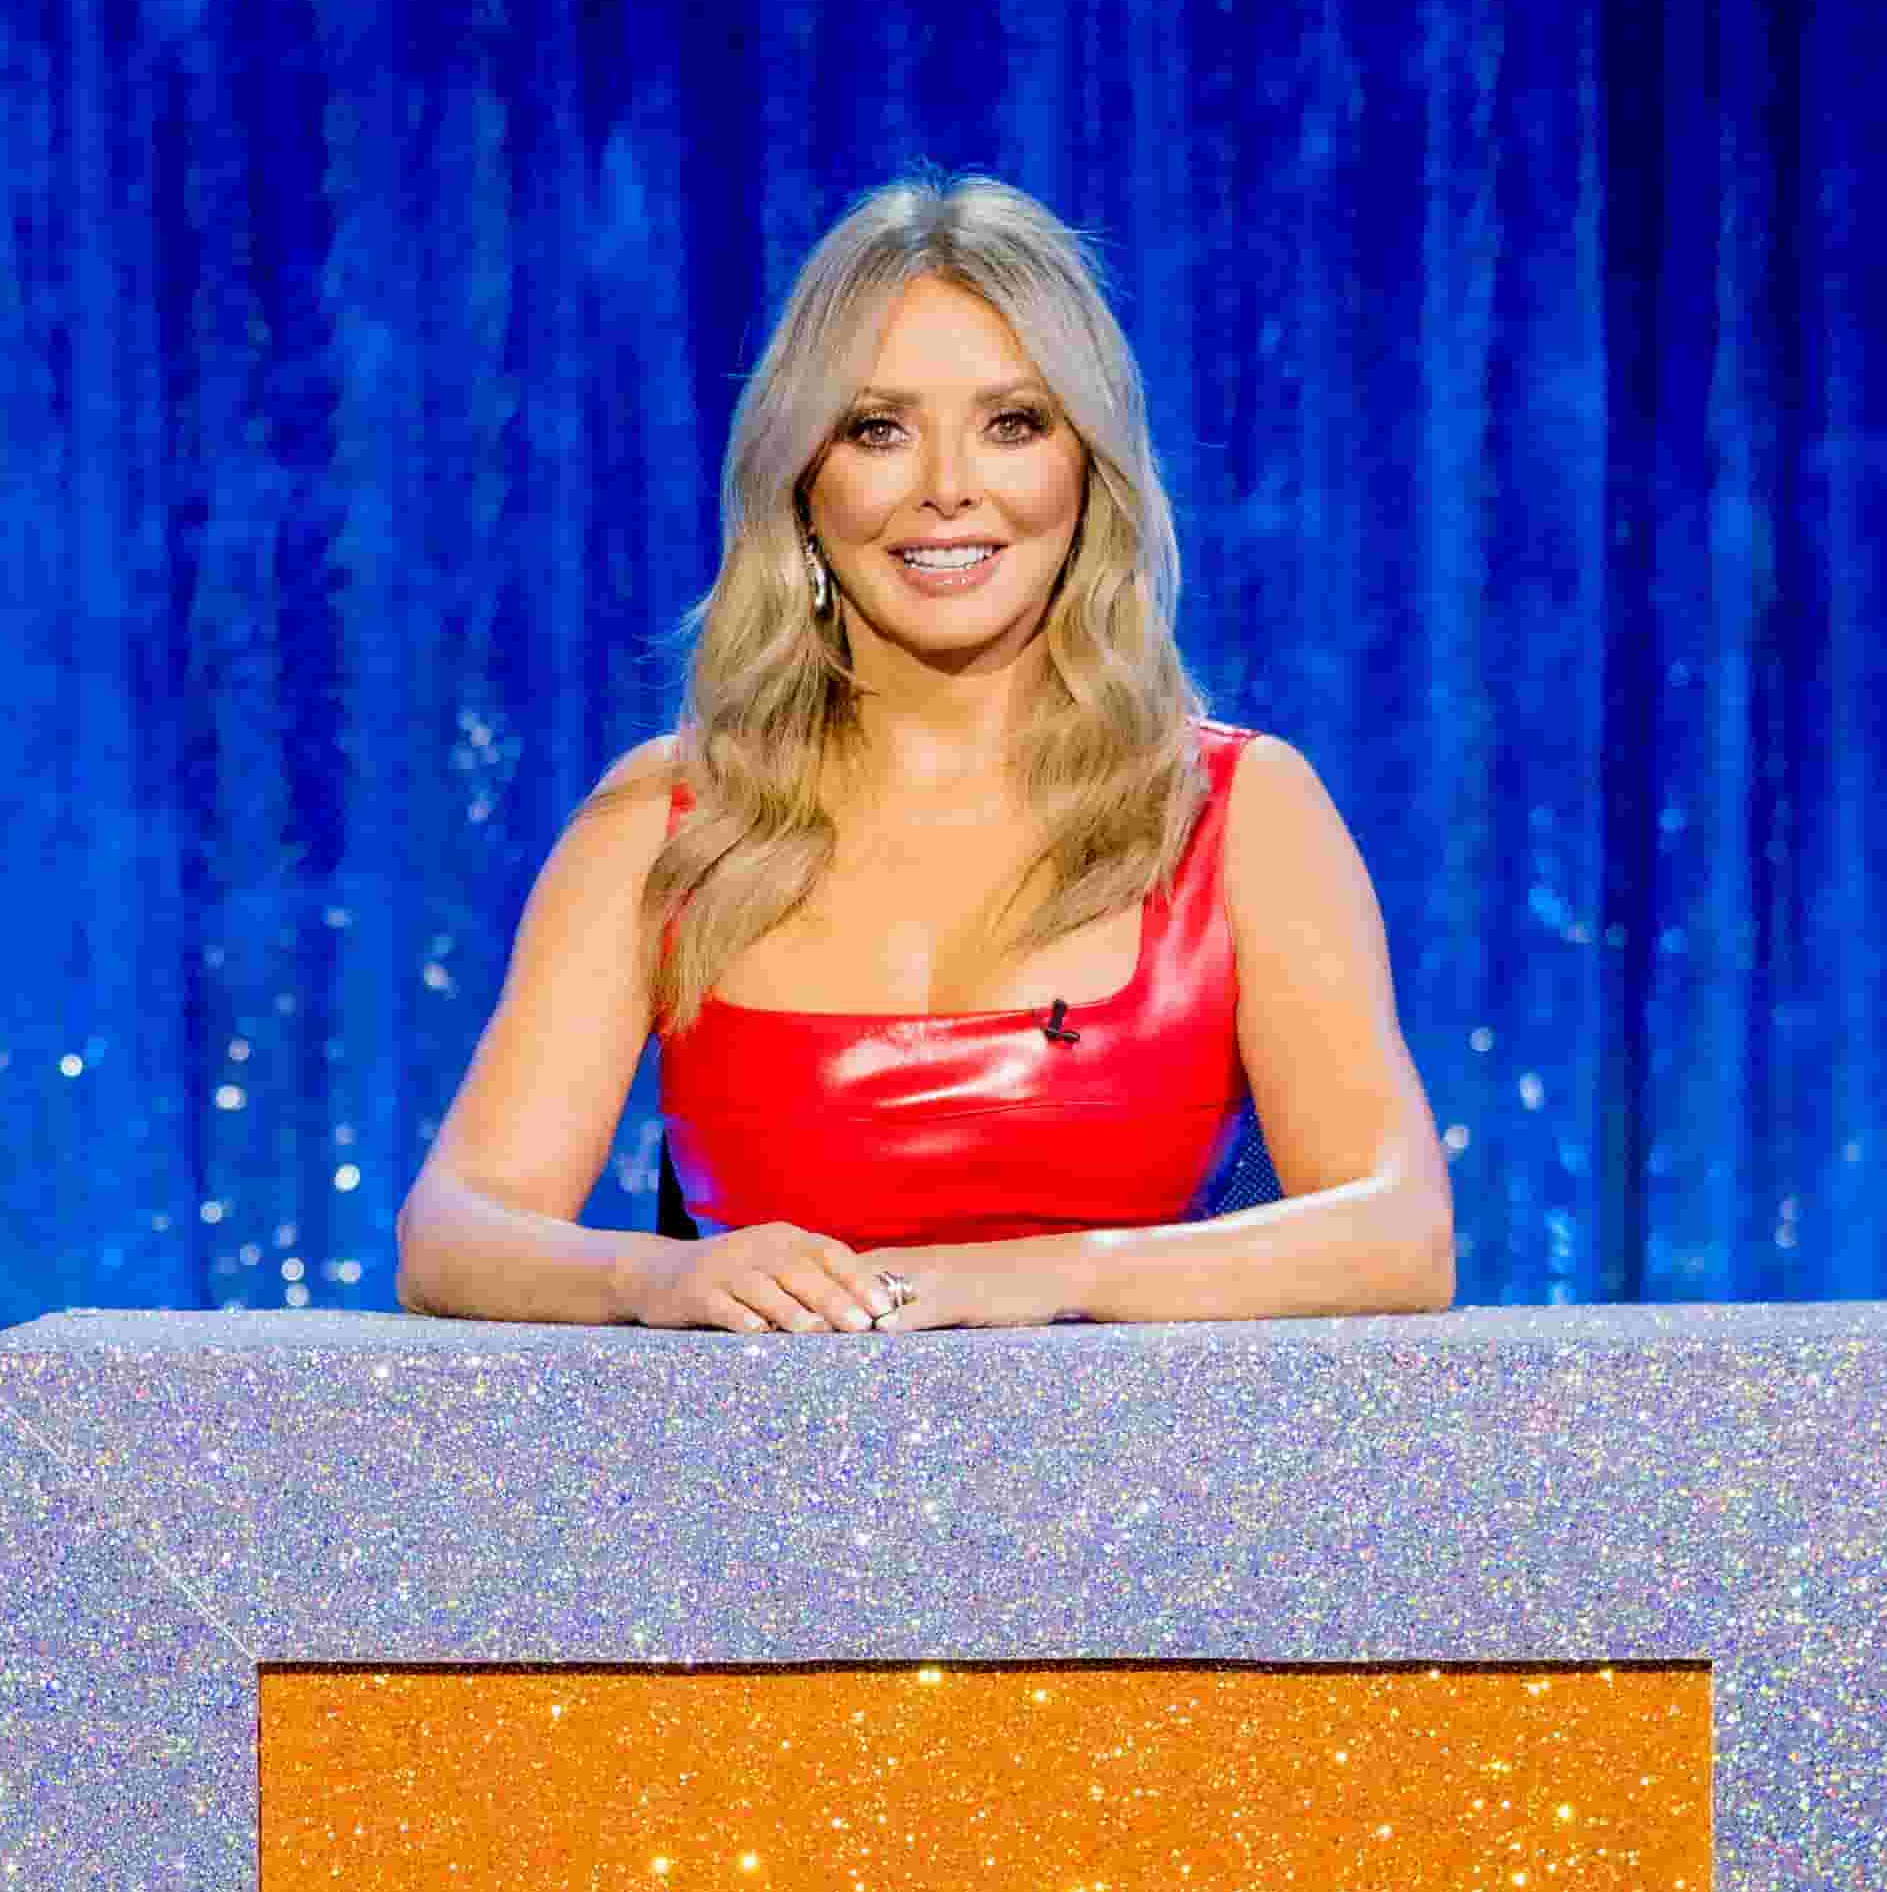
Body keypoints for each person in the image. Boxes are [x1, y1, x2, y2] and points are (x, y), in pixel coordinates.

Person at [399, 176, 1451, 1333]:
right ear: (804, 480)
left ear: (1088, 470)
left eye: (1014, 425)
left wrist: (1048, 1278)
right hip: (758, 1447)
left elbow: (1397, 1234)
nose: (948, 489)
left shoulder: (1238, 809)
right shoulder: (670, 818)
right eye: (878, 430)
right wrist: (654, 1280)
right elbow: (455, 1230)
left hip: (1144, 1451)